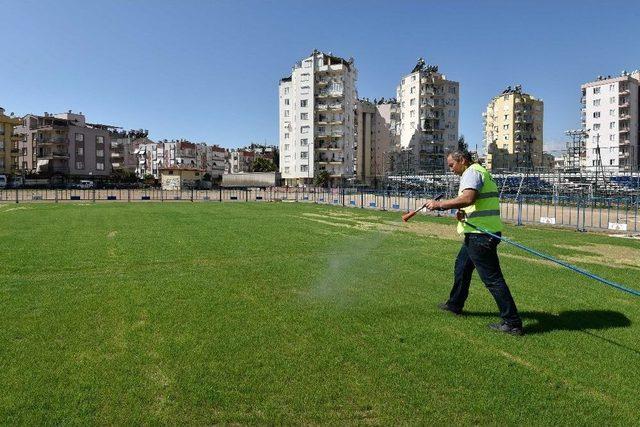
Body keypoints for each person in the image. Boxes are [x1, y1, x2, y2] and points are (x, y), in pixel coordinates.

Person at [424, 150, 523, 336]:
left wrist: (440, 205)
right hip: (476, 232)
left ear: (462, 160)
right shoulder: (480, 171)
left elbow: (468, 197)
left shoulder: (472, 172)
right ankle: (455, 304)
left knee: (492, 279)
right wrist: (465, 213)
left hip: (481, 235)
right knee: (462, 267)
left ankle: (512, 322)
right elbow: (475, 202)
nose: (451, 170)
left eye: (452, 165)